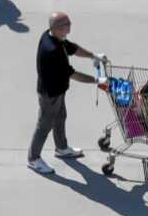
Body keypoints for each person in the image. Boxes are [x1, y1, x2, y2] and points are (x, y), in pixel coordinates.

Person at [28, 12, 108, 175]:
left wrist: (93, 56)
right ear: (57, 28)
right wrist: (97, 81)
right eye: (67, 24)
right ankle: (33, 159)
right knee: (44, 125)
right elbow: (72, 74)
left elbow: (73, 48)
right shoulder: (52, 51)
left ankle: (61, 148)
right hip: (49, 94)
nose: (70, 26)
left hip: (58, 89)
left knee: (60, 117)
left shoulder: (53, 36)